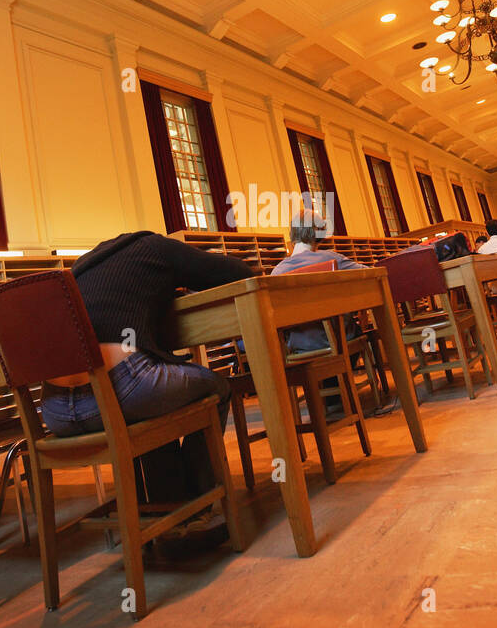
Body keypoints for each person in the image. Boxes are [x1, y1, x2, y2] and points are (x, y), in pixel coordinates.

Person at [42, 231, 255, 515]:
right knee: (217, 386)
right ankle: (197, 505)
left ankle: (168, 505)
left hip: (55, 412)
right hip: (121, 392)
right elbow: (237, 272)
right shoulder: (152, 246)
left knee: (153, 404)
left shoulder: (78, 271)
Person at [272, 209, 365, 353]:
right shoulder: (332, 259)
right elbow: (372, 274)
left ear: (293, 232)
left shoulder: (277, 272)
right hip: (342, 340)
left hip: (301, 349)